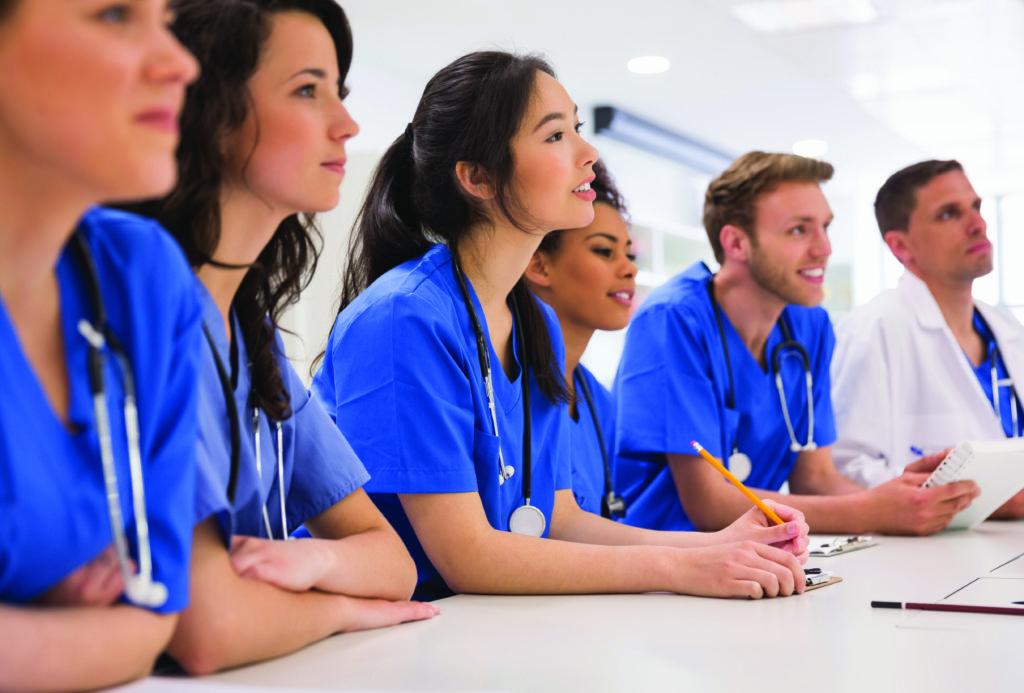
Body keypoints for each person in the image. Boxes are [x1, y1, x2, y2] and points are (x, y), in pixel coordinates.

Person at [313, 51, 810, 604]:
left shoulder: (537, 323)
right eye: (555, 136)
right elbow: (466, 557)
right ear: (478, 177)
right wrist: (676, 566)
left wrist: (714, 545)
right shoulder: (403, 317)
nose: (588, 151)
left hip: (490, 624)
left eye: (577, 128)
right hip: (393, 636)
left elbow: (562, 518)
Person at [127, 0, 434, 675]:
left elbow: (393, 562)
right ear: (212, 116)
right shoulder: (143, 307)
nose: (347, 123)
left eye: (339, 92)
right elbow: (211, 628)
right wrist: (342, 607)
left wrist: (313, 556)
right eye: (307, 90)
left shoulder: (249, 331)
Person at [614, 151, 979, 536]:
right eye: (799, 230)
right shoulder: (674, 319)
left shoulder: (809, 325)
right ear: (737, 243)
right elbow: (708, 502)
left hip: (757, 557)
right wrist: (872, 511)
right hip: (664, 566)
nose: (824, 248)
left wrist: (905, 502)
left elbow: (817, 478)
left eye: (825, 227)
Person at [0, 1, 203, 690]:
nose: (181, 63)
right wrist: (61, 627)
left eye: (166, 18)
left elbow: (149, 619)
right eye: (115, 15)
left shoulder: (140, 277)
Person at [831, 160, 1024, 518]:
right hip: (931, 558)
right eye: (949, 214)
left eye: (976, 207)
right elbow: (845, 471)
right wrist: (988, 497)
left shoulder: (1006, 327)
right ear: (900, 246)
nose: (977, 224)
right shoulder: (874, 328)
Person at [524, 160, 635, 518]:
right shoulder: (508, 387)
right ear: (539, 265)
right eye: (604, 251)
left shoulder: (599, 403)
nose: (629, 268)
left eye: (628, 253)